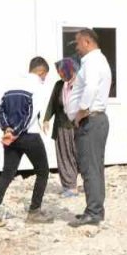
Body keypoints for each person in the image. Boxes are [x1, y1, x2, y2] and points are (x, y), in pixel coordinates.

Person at [0, 56, 55, 228]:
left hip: (11, 137)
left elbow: (0, 109)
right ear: (41, 71)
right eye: (44, 76)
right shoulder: (37, 86)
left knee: (7, 173)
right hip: (29, 135)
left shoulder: (11, 84)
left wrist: (6, 128)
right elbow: (30, 114)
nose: (44, 79)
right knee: (43, 171)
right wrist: (16, 131)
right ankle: (34, 212)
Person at [70, 28, 112, 228]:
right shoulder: (97, 60)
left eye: (78, 44)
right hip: (94, 121)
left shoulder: (93, 62)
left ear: (87, 42)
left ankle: (94, 212)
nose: (77, 48)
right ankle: (94, 209)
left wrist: (81, 111)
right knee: (93, 167)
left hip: (91, 121)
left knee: (90, 168)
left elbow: (91, 88)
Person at [43, 57, 81, 198]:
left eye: (61, 71)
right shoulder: (59, 85)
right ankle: (70, 187)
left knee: (80, 155)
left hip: (78, 126)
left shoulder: (80, 84)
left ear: (69, 69)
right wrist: (46, 119)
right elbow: (53, 103)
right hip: (61, 127)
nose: (60, 74)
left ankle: (89, 184)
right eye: (58, 72)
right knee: (64, 157)